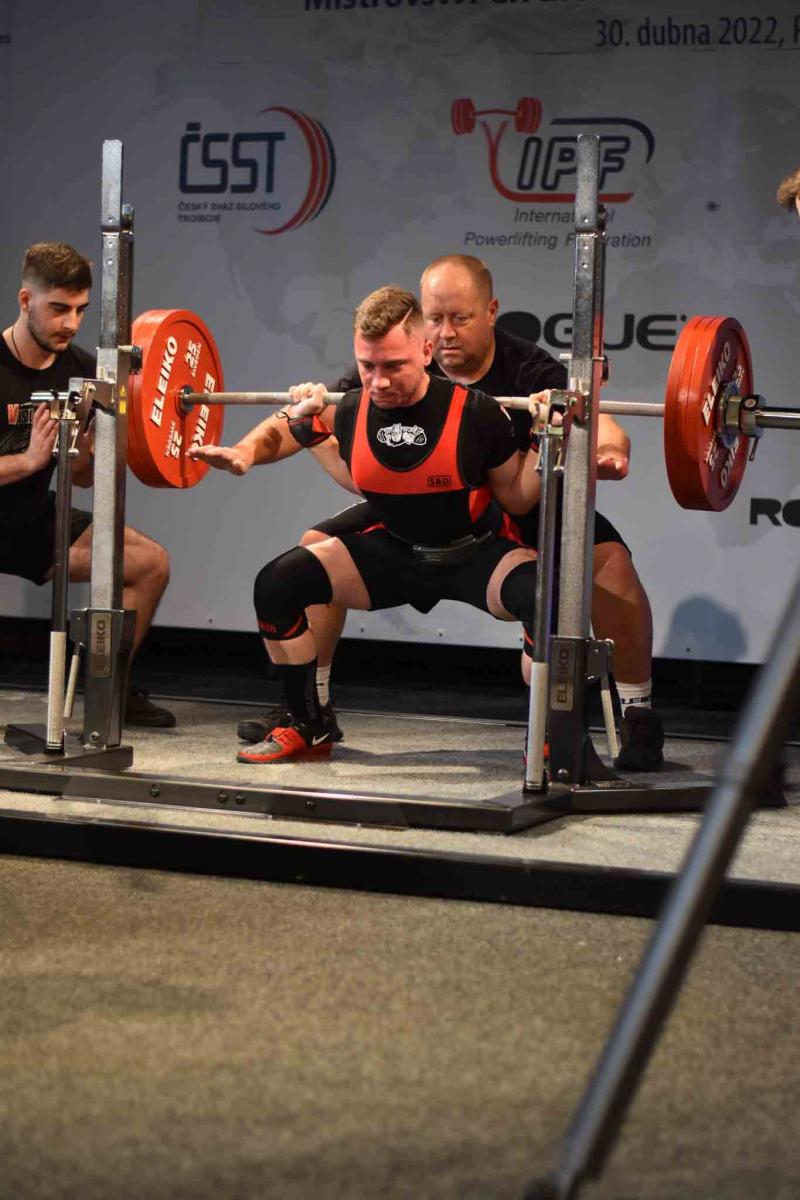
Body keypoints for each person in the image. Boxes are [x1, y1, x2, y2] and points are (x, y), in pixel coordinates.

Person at [233, 256, 663, 771]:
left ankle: (636, 714)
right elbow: (305, 416)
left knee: (610, 566)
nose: (445, 333)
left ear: (490, 312)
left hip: (516, 502)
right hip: (422, 505)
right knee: (309, 553)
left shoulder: (529, 368)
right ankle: (309, 708)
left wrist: (609, 454)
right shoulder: (391, 362)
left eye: (460, 318)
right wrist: (245, 451)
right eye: (435, 319)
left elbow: (594, 419)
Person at [190, 286, 543, 763]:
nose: (379, 381)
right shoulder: (351, 407)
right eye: (367, 366)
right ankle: (308, 723)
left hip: (475, 554)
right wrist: (252, 449)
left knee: (544, 602)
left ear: (426, 351)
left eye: (394, 366)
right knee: (277, 585)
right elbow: (336, 462)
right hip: (395, 553)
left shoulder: (476, 412)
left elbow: (517, 496)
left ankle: (547, 738)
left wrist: (546, 434)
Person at [0, 242, 175, 727]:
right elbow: (34, 461)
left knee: (149, 563)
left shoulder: (79, 370)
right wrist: (29, 461)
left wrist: (89, 445)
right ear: (25, 300)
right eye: (58, 309)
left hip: (31, 523)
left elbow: (80, 476)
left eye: (79, 310)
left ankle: (109, 692)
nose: (71, 323)